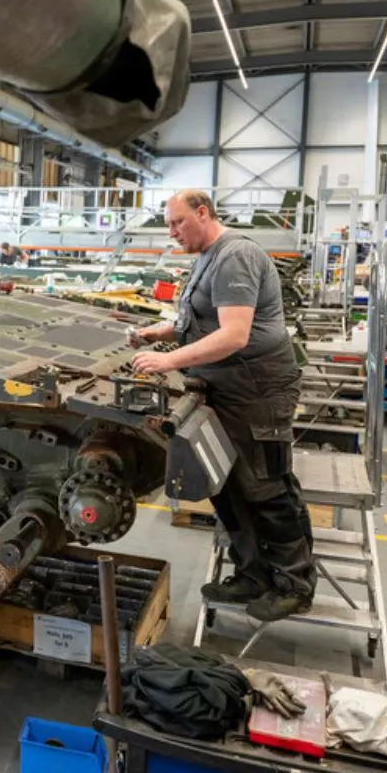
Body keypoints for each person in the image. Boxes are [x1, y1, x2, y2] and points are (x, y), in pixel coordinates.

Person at [131, 189, 315, 622]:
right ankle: (252, 574)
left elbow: (234, 335)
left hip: (257, 391)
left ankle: (295, 584)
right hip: (222, 389)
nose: (171, 232)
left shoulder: (235, 255)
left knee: (266, 486)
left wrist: (170, 360)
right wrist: (162, 333)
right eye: (168, 224)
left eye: (178, 222)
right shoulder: (206, 257)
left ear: (203, 213)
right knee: (227, 485)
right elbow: (202, 321)